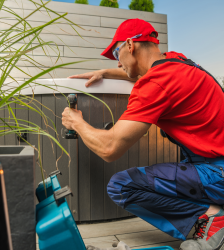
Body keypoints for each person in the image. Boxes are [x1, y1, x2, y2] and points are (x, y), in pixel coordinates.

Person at [62, 18, 224, 250]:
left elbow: (109, 149)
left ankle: (213, 222)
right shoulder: (176, 61)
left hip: (217, 172)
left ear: (130, 45)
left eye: (117, 54)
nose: (118, 64)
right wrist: (104, 73)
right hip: (217, 165)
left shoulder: (156, 84)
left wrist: (77, 123)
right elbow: (139, 73)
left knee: (122, 186)